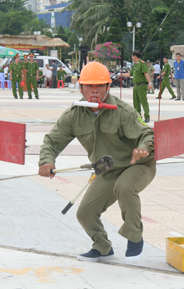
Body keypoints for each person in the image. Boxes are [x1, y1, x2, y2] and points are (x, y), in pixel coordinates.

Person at [38, 61, 155, 262]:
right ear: (80, 87)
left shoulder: (122, 111)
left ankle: (135, 236)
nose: (94, 90)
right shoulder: (73, 115)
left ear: (108, 87)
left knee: (125, 186)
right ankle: (102, 248)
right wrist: (47, 160)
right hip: (107, 169)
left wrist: (142, 149)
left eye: (99, 86)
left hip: (137, 165)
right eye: (89, 86)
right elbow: (52, 140)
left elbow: (147, 133)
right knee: (85, 213)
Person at [121, 51, 153, 123]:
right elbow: (129, 74)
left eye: (132, 56)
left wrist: (150, 83)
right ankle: (138, 117)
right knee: (136, 102)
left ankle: (147, 116)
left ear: (135, 56)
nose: (131, 58)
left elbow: (146, 73)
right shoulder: (135, 65)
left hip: (142, 85)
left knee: (143, 101)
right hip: (135, 86)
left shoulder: (142, 64)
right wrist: (121, 74)